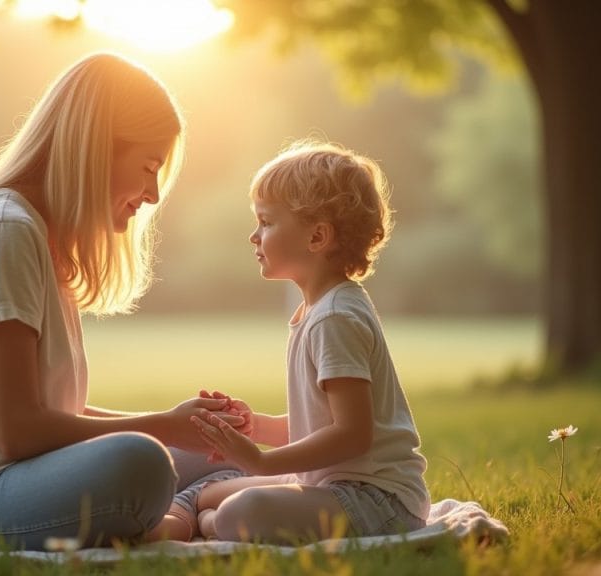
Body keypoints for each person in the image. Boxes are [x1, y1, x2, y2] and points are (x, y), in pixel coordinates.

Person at [0, 52, 244, 554]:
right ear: (96, 149)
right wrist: (166, 427)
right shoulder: (5, 229)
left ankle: (167, 513)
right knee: (141, 463)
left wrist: (185, 427)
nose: (153, 193)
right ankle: (181, 515)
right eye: (147, 166)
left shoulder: (39, 236)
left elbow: (53, 412)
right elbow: (18, 432)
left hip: (20, 477)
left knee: (224, 457)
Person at [184, 141, 430, 543]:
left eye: (266, 222)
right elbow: (319, 425)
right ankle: (205, 517)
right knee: (211, 494)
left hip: (377, 502)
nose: (253, 236)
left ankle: (211, 527)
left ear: (317, 237)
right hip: (334, 487)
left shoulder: (335, 318)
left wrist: (261, 462)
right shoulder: (318, 311)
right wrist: (256, 426)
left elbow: (353, 434)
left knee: (238, 512)